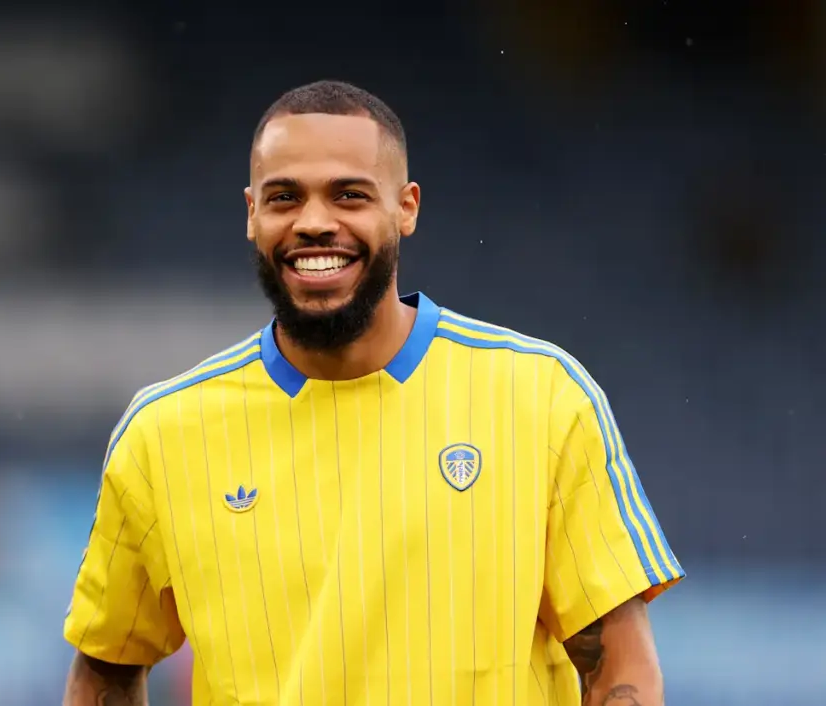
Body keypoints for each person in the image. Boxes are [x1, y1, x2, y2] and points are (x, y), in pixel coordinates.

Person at [62, 80, 684, 706]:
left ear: (406, 207)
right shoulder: (162, 434)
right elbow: (106, 671)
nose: (313, 223)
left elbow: (619, 672)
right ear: (252, 214)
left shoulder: (544, 398)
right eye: (284, 198)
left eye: (349, 195)